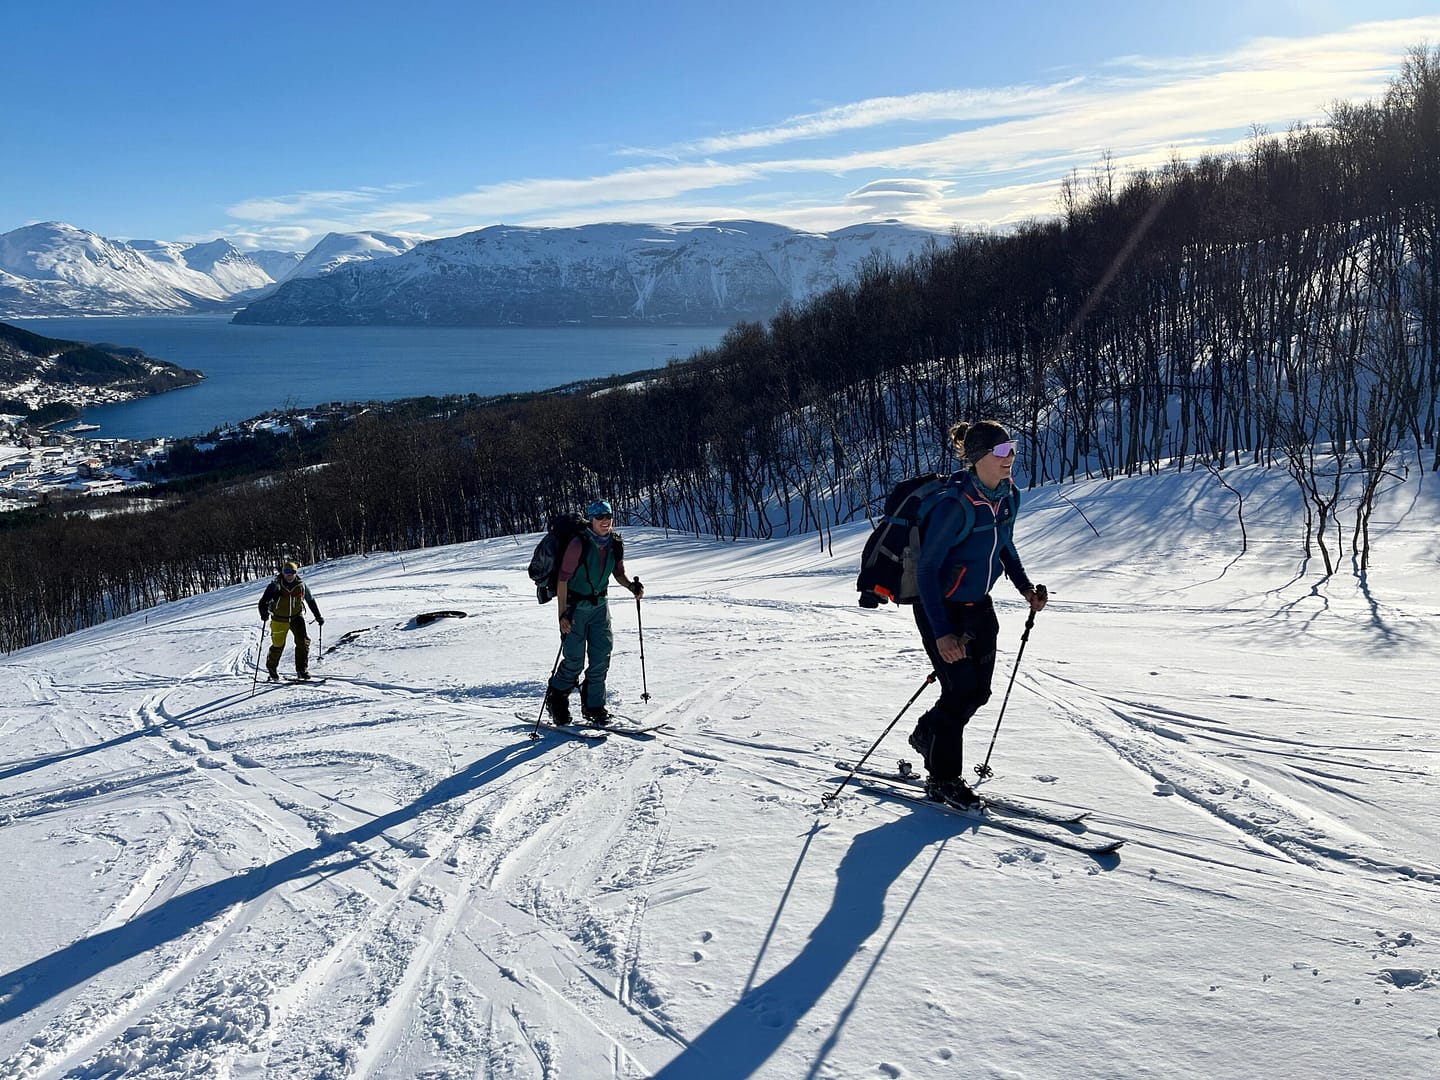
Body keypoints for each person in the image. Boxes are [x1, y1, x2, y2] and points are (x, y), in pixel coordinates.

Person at [908, 421, 1046, 808]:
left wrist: (1025, 587)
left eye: (1012, 448)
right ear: (978, 457)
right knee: (959, 692)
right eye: (1001, 451)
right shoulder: (955, 505)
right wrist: (942, 633)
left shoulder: (1009, 495)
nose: (1010, 457)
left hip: (978, 607)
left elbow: (1005, 546)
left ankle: (928, 733)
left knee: (978, 692)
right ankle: (943, 779)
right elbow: (926, 571)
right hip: (940, 608)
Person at [545, 500, 644, 724]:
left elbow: (618, 573)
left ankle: (594, 705)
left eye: (608, 515)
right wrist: (562, 614)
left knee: (601, 656)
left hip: (600, 608)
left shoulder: (615, 543)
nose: (605, 520)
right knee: (574, 660)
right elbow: (563, 580)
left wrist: (631, 586)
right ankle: (556, 699)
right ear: (591, 519)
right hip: (575, 609)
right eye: (599, 516)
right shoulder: (578, 544)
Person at [258, 560, 324, 681]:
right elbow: (263, 602)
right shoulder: (275, 585)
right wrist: (264, 614)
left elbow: (310, 600)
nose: (289, 575)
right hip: (279, 619)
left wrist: (318, 616)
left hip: (296, 617)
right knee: (278, 645)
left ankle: (301, 670)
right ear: (283, 573)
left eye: (292, 572)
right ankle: (272, 668)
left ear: (296, 573)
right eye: (287, 572)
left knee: (303, 643)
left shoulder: (301, 585)